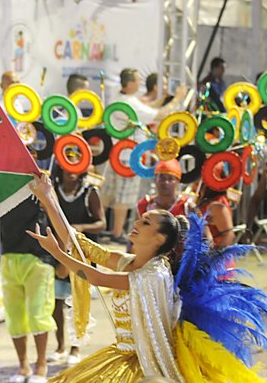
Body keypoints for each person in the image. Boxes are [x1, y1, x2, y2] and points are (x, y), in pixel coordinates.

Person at [28, 173, 267, 382]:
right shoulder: (128, 262)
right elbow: (80, 245)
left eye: (145, 222)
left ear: (159, 239)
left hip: (146, 366)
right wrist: (48, 198)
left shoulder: (154, 273)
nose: (136, 223)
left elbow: (98, 278)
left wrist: (57, 253)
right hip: (120, 355)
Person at [101, 68, 187, 244]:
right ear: (131, 83)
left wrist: (160, 101)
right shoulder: (130, 103)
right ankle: (117, 233)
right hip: (129, 157)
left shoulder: (119, 99)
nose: (140, 84)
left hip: (116, 154)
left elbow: (145, 110)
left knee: (108, 194)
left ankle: (102, 229)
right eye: (138, 80)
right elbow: (157, 115)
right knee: (123, 197)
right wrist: (178, 98)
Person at [0, 150, 56, 383]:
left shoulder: (42, 182)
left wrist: (63, 256)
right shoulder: (3, 183)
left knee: (38, 313)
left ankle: (41, 365)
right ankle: (23, 365)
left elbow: (57, 216)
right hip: (9, 255)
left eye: (29, 155)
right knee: (14, 316)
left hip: (38, 257)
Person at [48, 159, 105, 366]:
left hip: (82, 254)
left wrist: (79, 228)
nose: (71, 171)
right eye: (67, 164)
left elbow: (101, 223)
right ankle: (60, 345)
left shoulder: (90, 192)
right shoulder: (52, 190)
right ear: (60, 166)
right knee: (55, 301)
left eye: (76, 165)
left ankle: (75, 347)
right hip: (58, 250)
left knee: (79, 300)